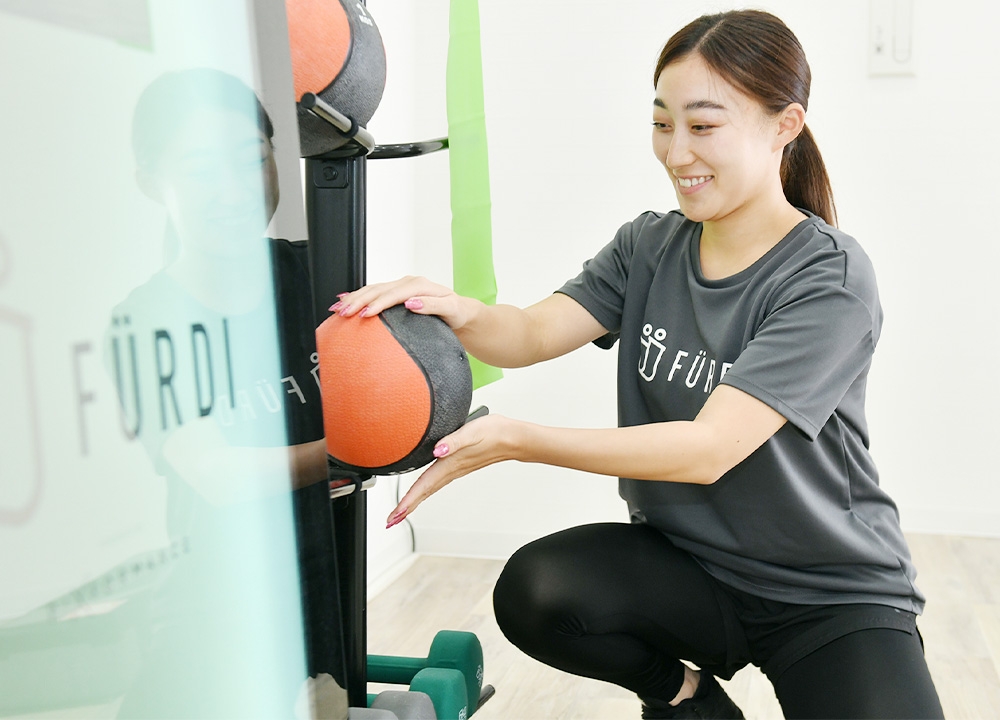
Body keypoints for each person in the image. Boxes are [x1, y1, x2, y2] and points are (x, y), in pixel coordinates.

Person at [337, 9, 944, 720]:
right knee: (538, 591)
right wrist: (455, 310)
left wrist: (519, 440)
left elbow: (709, 449)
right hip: (693, 569)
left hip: (828, 596)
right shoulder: (649, 247)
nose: (676, 152)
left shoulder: (827, 277)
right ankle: (687, 698)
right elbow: (530, 333)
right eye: (662, 123)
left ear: (785, 125)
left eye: (703, 125)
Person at [110, 69, 343, 718]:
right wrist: (359, 450)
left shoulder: (319, 272)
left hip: (328, 581)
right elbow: (218, 475)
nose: (236, 190)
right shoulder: (146, 322)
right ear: (152, 184)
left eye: (252, 159)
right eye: (202, 170)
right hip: (222, 601)